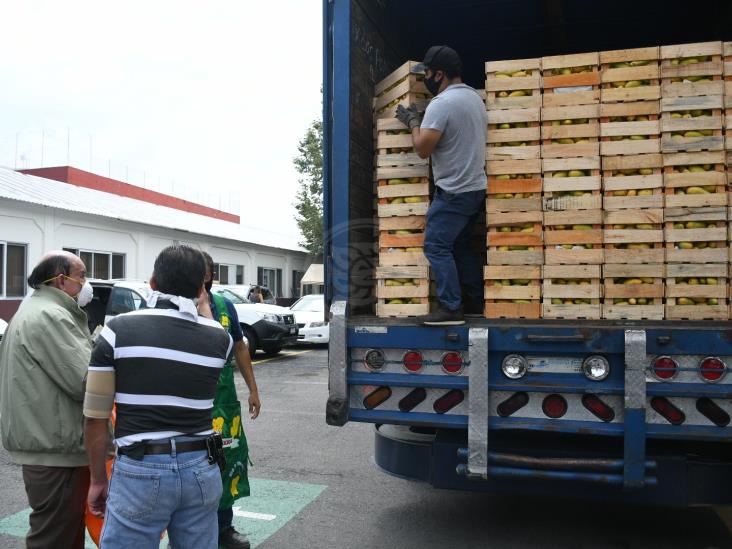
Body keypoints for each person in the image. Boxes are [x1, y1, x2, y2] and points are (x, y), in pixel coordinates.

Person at [83, 245, 232, 548]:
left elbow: (95, 417)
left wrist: (98, 479)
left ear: (152, 283)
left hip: (141, 467)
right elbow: (210, 328)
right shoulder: (220, 339)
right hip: (202, 469)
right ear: (201, 287)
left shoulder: (117, 331)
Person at [0, 250, 94, 549]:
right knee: (55, 536)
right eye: (81, 275)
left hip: (48, 442)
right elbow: (85, 381)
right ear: (61, 280)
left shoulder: (37, 310)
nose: (87, 282)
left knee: (61, 531)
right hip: (56, 448)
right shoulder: (51, 316)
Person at [396, 45, 488, 326]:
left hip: (455, 190)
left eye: (428, 73)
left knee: (435, 245)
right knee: (460, 245)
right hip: (475, 187)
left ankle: (451, 308)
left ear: (439, 74)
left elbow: (423, 148)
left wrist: (413, 122)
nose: (427, 79)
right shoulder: (474, 99)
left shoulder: (442, 104)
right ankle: (473, 303)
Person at [202, 252, 261, 549]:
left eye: (205, 271)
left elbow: (239, 347)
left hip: (223, 398)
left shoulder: (225, 306)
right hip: (189, 399)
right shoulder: (175, 307)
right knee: (193, 464)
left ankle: (224, 528)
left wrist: (253, 389)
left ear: (210, 274)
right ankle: (189, 532)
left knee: (225, 460)